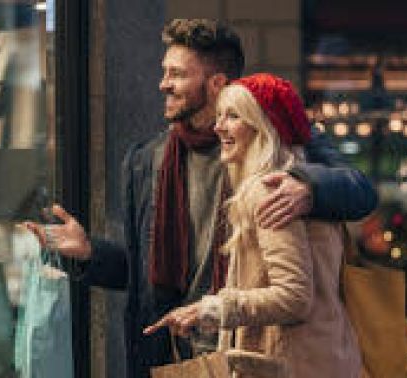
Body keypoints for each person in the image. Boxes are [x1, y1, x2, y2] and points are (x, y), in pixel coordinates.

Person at [31, 19, 376, 378]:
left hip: (250, 352)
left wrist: (308, 188)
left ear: (216, 84)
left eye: (177, 74)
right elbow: (145, 278)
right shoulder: (148, 160)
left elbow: (361, 191)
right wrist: (91, 253)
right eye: (165, 72)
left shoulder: (275, 146)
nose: (163, 84)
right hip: (175, 355)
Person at [144, 73, 362, 378]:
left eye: (233, 116)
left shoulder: (270, 189)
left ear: (263, 127)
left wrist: (212, 309)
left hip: (292, 366)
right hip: (324, 359)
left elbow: (294, 296)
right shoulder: (302, 185)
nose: (218, 127)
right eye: (219, 116)